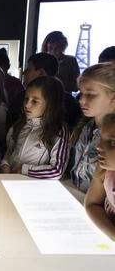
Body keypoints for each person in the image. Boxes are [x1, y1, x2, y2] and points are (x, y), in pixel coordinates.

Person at [1, 76, 69, 180]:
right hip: (11, 181)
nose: (27, 105)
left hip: (36, 188)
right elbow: (10, 152)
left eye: (35, 101)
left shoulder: (58, 130)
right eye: (26, 99)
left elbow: (57, 171)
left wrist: (23, 169)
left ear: (51, 104)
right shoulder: (19, 125)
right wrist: (5, 165)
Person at [6, 53, 82, 131]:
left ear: (41, 73)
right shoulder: (71, 102)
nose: (24, 72)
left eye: (29, 69)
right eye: (26, 100)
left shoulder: (20, 98)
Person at [70, 62, 115, 193]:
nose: (81, 100)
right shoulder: (85, 126)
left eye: (90, 94)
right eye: (81, 93)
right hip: (75, 193)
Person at [85, 113, 115, 241]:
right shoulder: (104, 169)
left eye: (113, 142)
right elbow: (92, 204)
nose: (99, 146)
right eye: (101, 139)